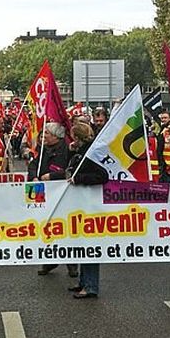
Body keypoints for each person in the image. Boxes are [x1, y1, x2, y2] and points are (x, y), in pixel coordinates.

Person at [66, 123, 109, 299]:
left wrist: (79, 179)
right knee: (83, 244)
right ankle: (84, 282)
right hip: (82, 204)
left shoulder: (90, 153)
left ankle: (91, 286)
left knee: (90, 245)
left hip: (90, 205)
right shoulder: (82, 151)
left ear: (77, 137)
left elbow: (102, 176)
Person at [27, 123, 77, 277]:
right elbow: (33, 165)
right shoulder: (42, 150)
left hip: (62, 193)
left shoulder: (68, 150)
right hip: (41, 191)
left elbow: (71, 170)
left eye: (47, 133)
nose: (44, 136)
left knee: (65, 227)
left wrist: (53, 176)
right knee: (45, 226)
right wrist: (34, 176)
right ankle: (49, 260)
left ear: (56, 136)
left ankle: (72, 264)